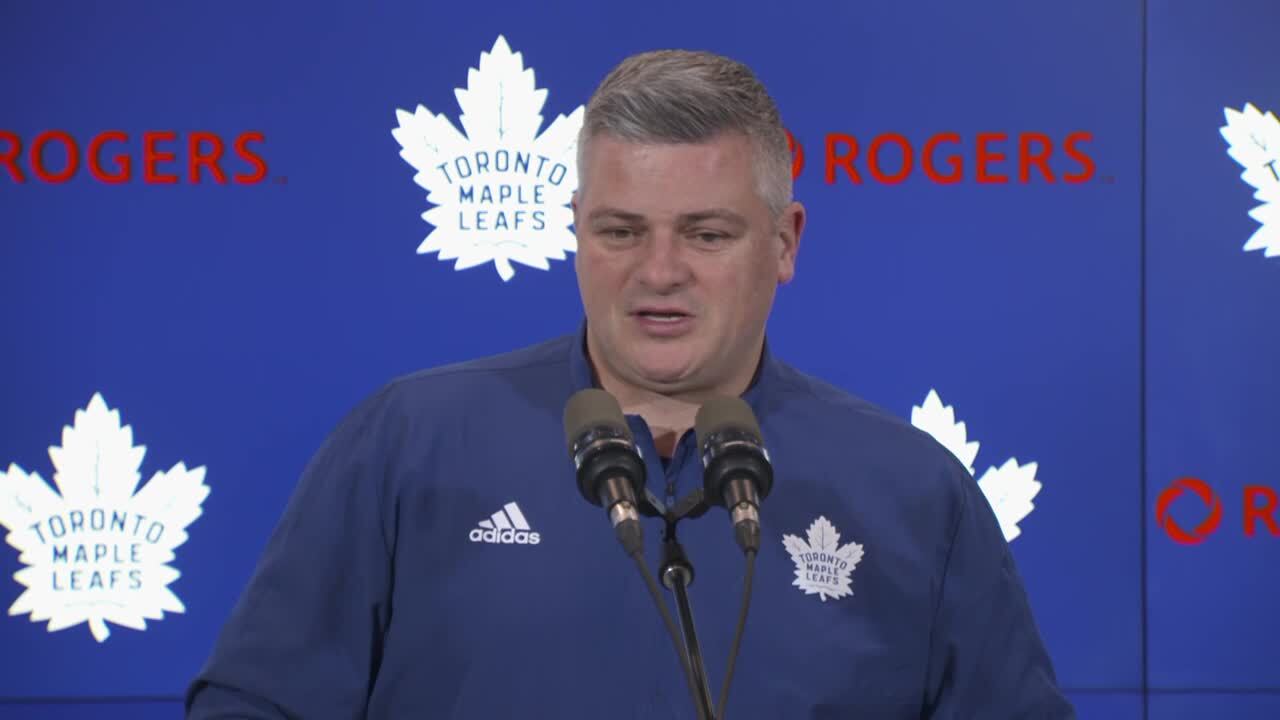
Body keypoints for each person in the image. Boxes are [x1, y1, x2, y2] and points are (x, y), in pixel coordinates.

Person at [185, 48, 1075, 719]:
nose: (658, 272)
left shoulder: (913, 492)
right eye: (620, 232)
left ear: (785, 243)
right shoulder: (408, 444)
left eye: (707, 234)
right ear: (576, 233)